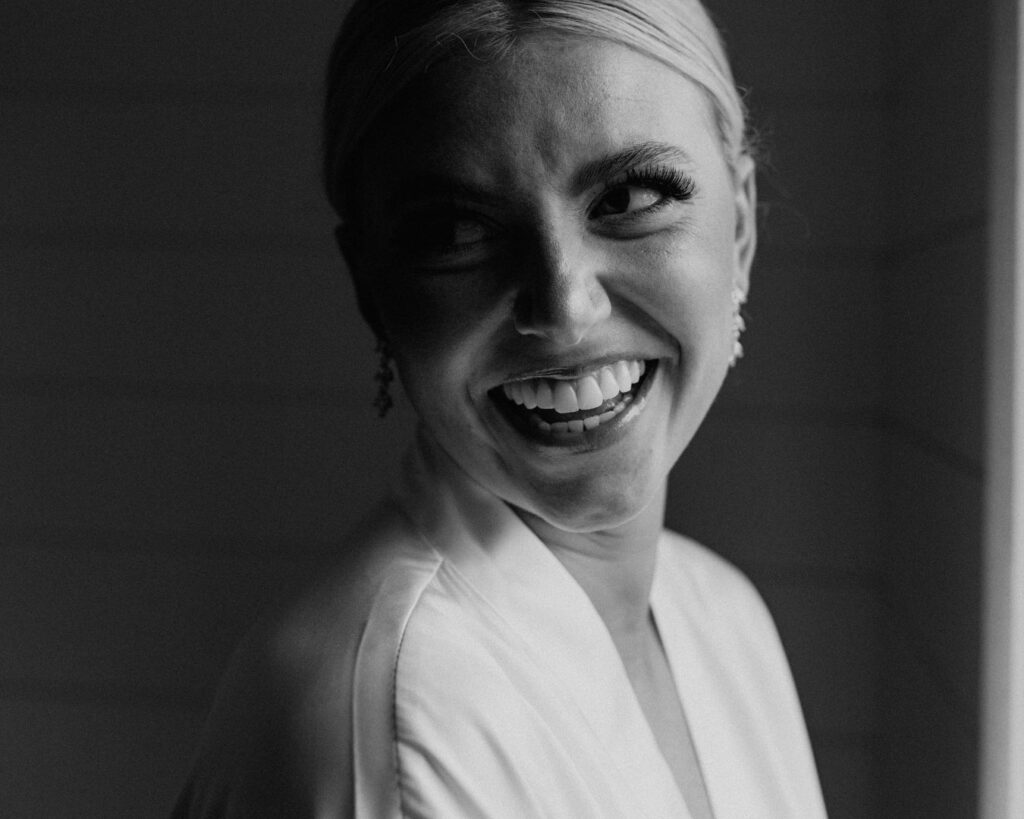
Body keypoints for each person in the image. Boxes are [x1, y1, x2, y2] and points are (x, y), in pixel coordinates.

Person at [172, 0, 828, 816]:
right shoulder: (397, 729)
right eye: (455, 231)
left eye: (628, 197)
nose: (564, 308)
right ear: (370, 287)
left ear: (739, 232)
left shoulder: (724, 616)